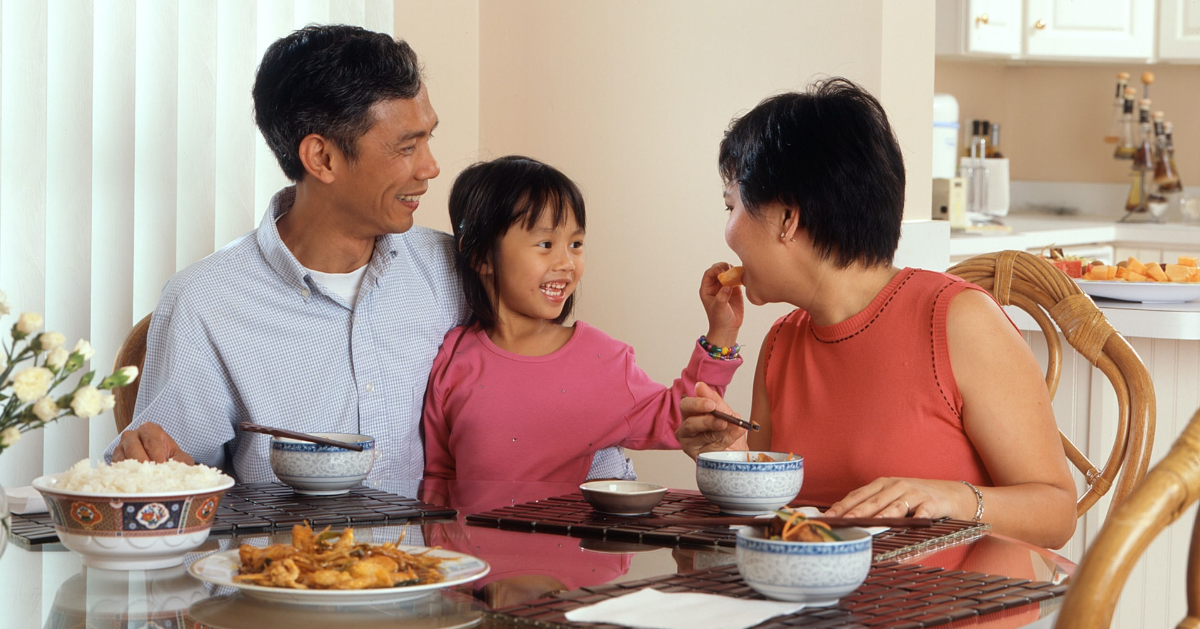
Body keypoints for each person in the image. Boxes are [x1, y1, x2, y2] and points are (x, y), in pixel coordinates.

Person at [103, 25, 630, 482]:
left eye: (429, 140)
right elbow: (162, 478)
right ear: (322, 157)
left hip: (456, 588)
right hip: (284, 587)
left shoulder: (462, 270)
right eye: (406, 147)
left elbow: (562, 391)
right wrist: (153, 470)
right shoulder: (208, 302)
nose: (430, 168)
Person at [675, 78, 1076, 549]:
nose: (728, 232)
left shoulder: (959, 321)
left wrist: (947, 498)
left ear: (788, 218)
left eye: (732, 206)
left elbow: (1057, 512)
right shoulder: (781, 343)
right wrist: (732, 455)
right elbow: (782, 523)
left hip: (955, 612)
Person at [421, 156, 744, 482]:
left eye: (575, 244)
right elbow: (439, 476)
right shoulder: (453, 356)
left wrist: (722, 332)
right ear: (479, 255)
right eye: (545, 244)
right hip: (467, 535)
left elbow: (681, 416)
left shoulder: (602, 358)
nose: (566, 262)